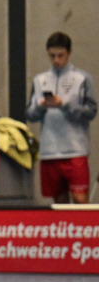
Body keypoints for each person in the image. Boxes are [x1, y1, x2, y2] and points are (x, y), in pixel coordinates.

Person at [25, 31, 97, 204]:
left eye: (60, 55)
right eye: (52, 56)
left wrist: (64, 104)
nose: (56, 60)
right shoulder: (39, 80)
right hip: (50, 151)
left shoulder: (82, 78)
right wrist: (42, 106)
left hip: (75, 150)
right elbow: (30, 114)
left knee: (80, 200)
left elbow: (91, 111)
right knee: (59, 203)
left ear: (69, 53)